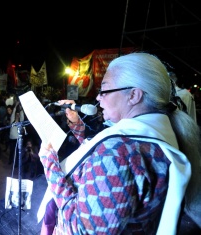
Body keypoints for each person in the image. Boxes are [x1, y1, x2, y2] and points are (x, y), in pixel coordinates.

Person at [37, 52, 201, 234]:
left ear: (134, 95)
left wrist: (49, 163)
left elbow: (81, 230)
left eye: (104, 90)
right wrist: (79, 128)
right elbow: (98, 153)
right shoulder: (155, 132)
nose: (98, 98)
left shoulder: (117, 154)